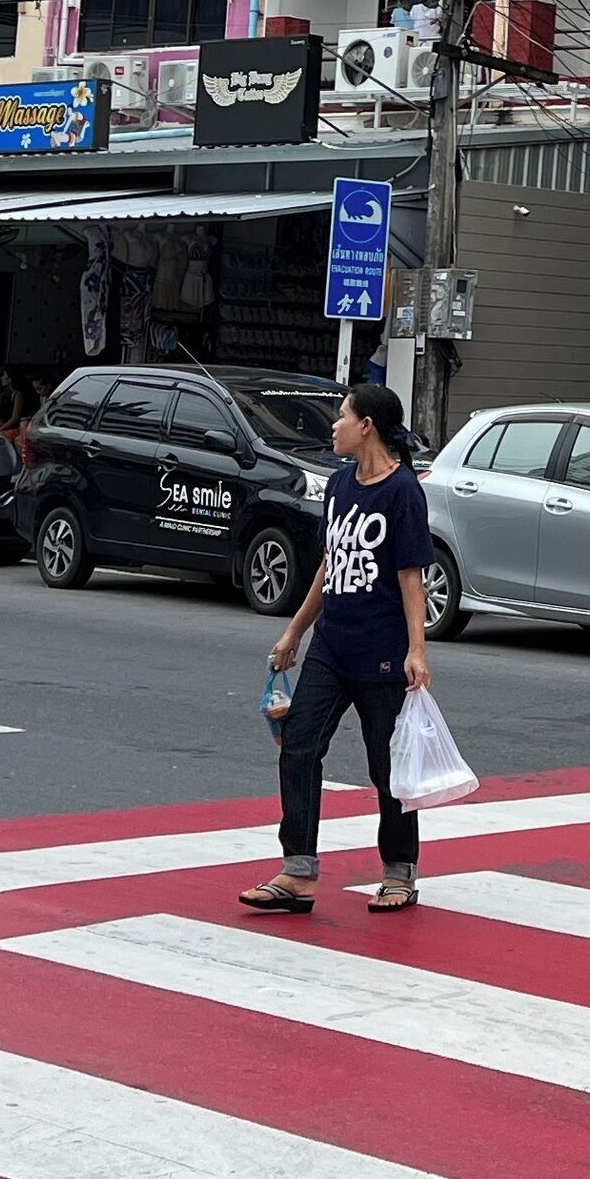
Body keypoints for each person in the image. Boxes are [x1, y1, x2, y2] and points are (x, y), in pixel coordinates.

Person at [244, 381, 434, 915]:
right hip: (332, 645)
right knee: (299, 745)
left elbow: (410, 575)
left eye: (342, 416)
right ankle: (298, 871)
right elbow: (332, 565)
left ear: (367, 425)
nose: (333, 426)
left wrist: (416, 650)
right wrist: (295, 632)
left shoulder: (402, 492)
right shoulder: (340, 485)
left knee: (386, 767)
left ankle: (399, 871)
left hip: (381, 650)